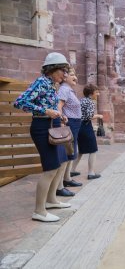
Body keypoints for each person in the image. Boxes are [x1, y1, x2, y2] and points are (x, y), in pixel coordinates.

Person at [14, 52, 71, 222]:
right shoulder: (41, 82)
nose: (65, 75)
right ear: (53, 69)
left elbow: (48, 105)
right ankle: (39, 211)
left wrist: (59, 115)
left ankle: (51, 200)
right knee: (50, 168)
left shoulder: (52, 84)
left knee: (59, 163)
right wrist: (46, 111)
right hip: (41, 127)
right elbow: (20, 102)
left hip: (51, 126)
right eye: (63, 70)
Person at [56, 67, 82, 197]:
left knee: (71, 153)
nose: (75, 77)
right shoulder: (64, 89)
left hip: (74, 123)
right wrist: (61, 119)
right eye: (72, 75)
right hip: (69, 123)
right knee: (66, 155)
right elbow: (58, 106)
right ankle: (59, 186)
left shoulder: (69, 90)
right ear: (64, 77)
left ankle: (67, 179)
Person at [71, 85, 103, 180]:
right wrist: (98, 116)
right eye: (96, 92)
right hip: (85, 126)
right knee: (93, 150)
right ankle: (91, 173)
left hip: (79, 126)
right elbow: (89, 116)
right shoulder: (90, 102)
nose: (98, 94)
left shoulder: (82, 100)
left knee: (81, 150)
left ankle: (71, 171)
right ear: (91, 93)